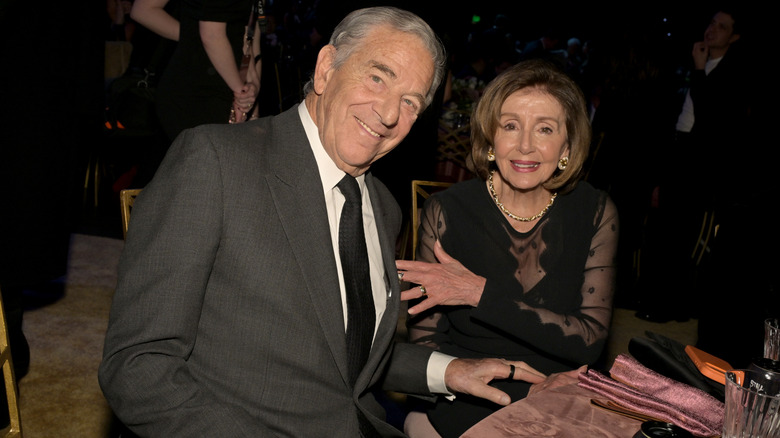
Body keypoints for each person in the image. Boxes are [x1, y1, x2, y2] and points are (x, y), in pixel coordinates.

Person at [98, 7, 548, 437]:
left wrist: (448, 370)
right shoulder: (216, 161)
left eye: (410, 102)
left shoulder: (383, 207)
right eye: (377, 77)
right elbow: (138, 364)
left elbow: (342, 351)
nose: (389, 114)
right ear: (327, 67)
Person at [396, 59, 619, 437]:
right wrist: (520, 386)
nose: (525, 145)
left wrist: (479, 293)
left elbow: (589, 343)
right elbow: (427, 345)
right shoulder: (447, 212)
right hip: (470, 392)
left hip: (561, 388)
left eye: (544, 129)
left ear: (567, 144)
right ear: (489, 138)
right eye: (510, 126)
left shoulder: (595, 210)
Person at [130, 0, 261, 142]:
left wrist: (251, 95)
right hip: (196, 91)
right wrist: (241, 92)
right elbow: (211, 34)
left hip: (226, 87)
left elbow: (249, 40)